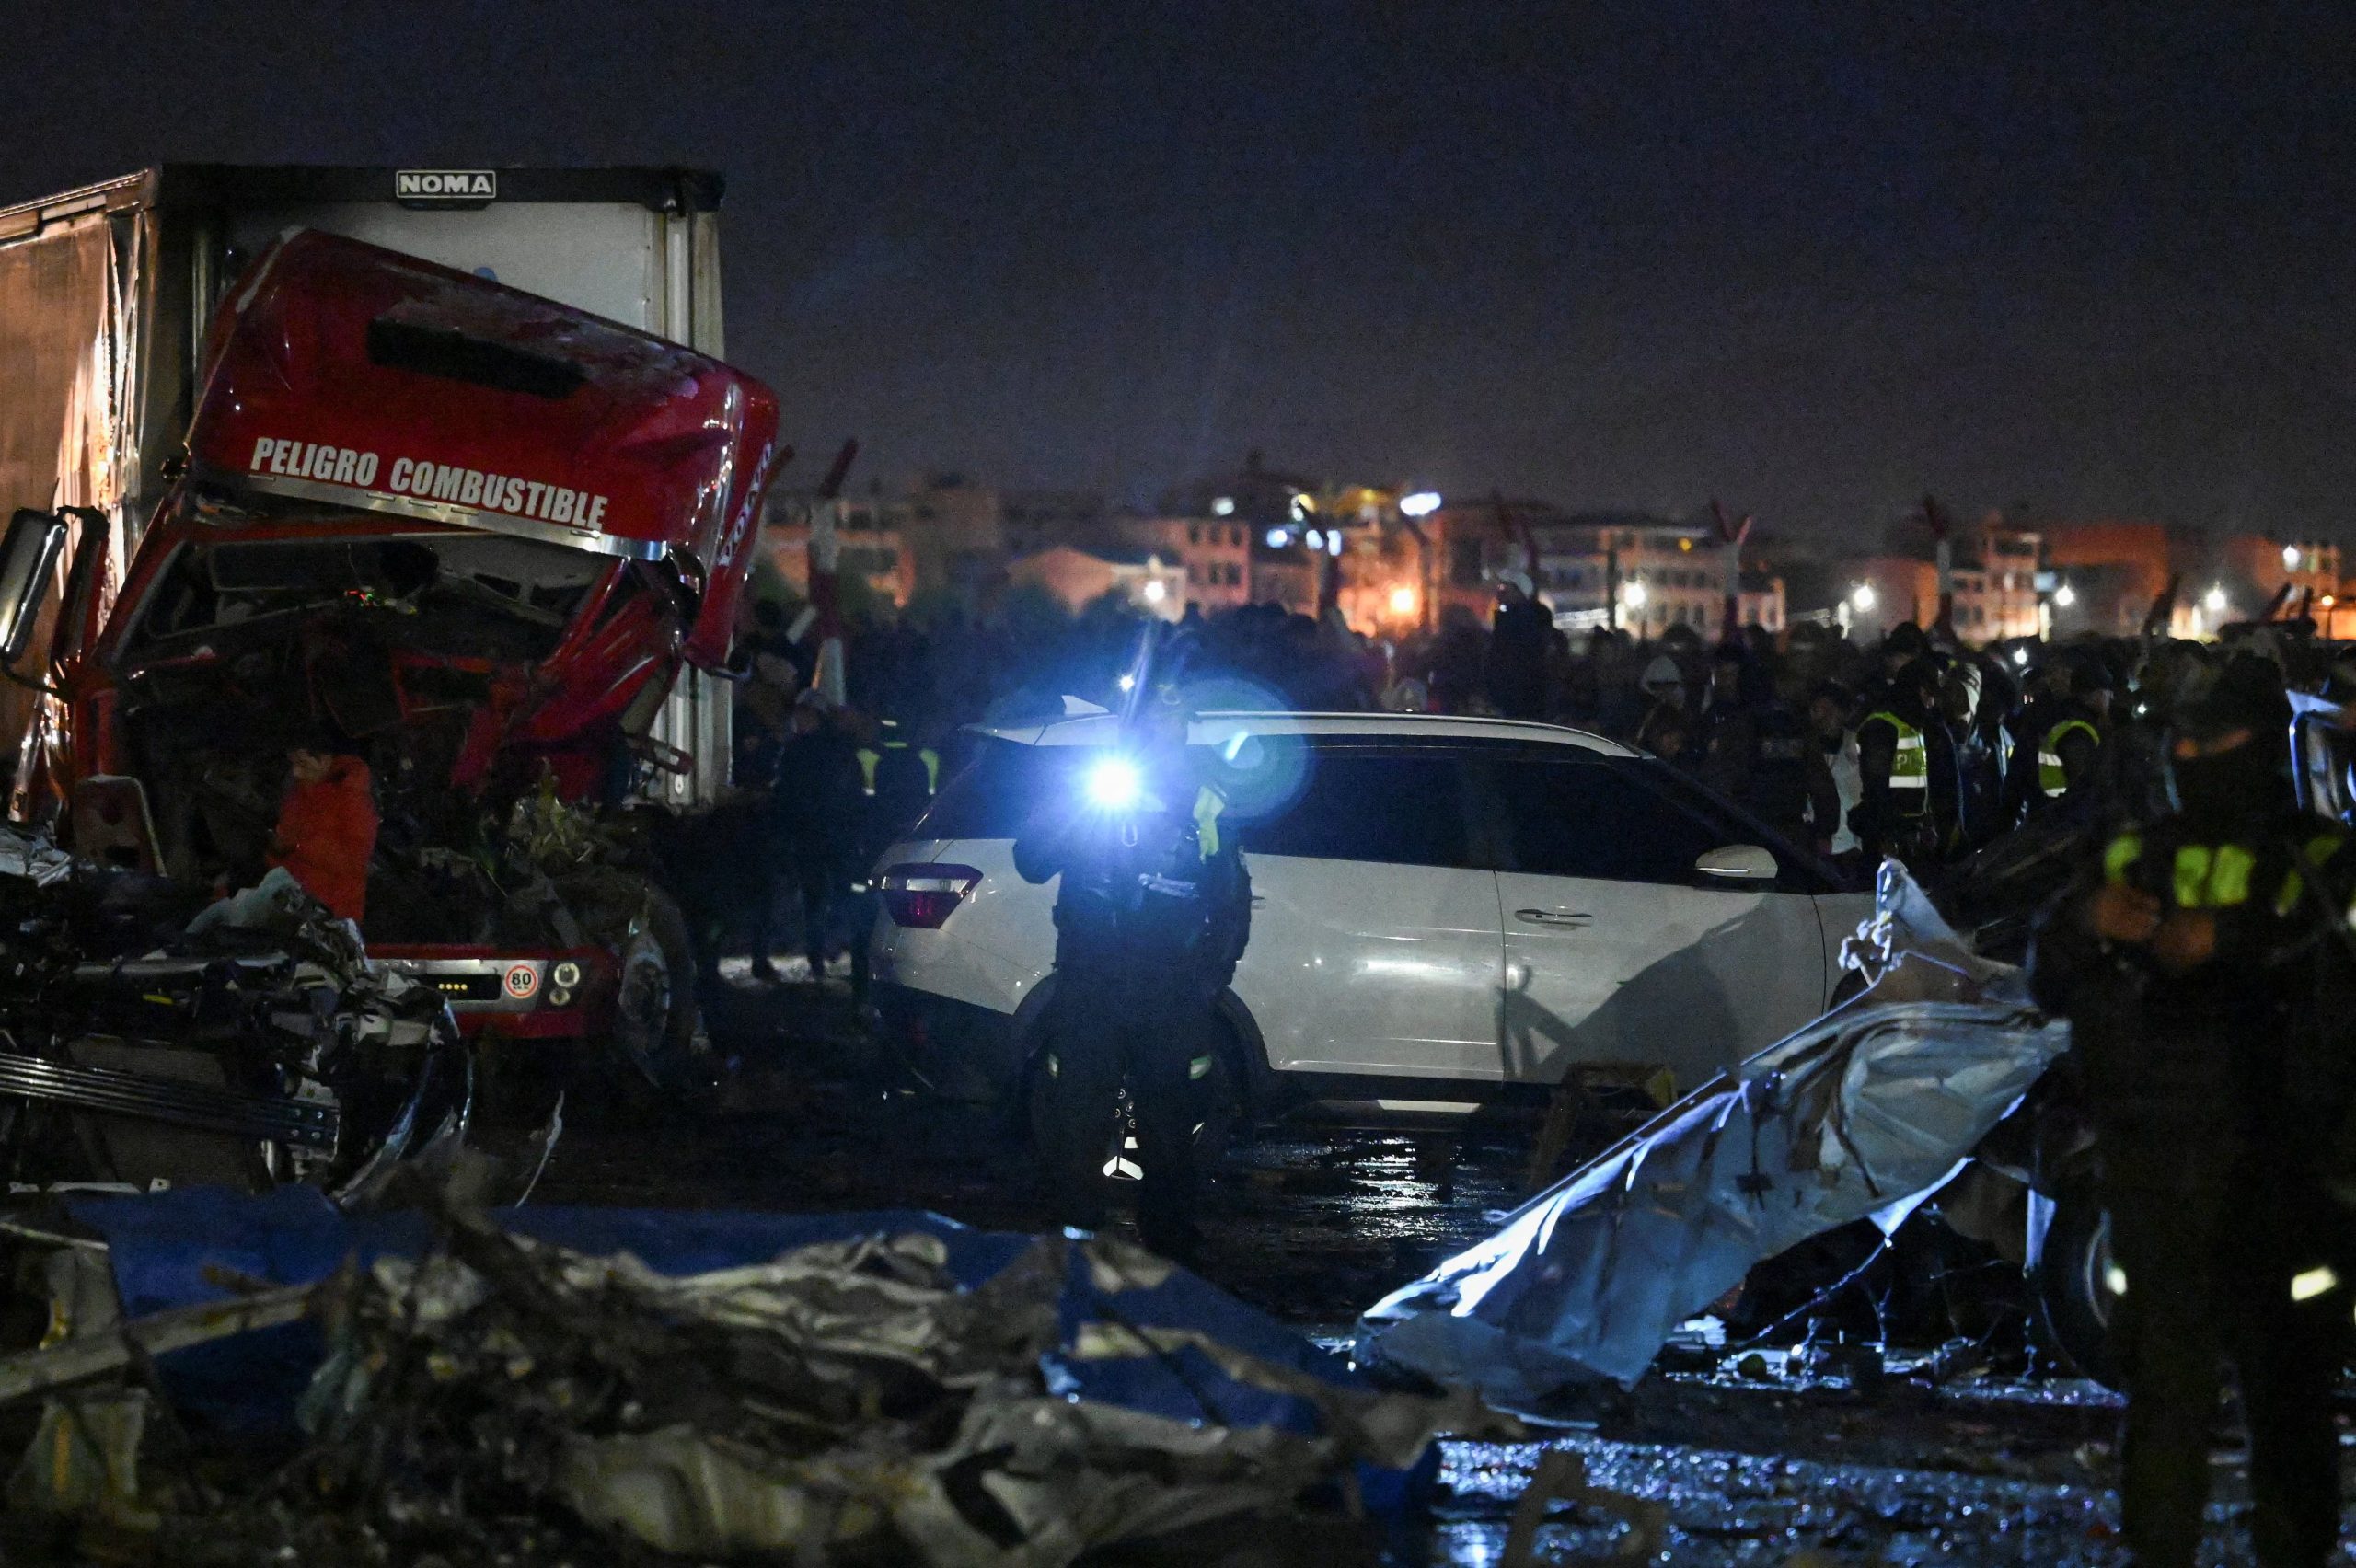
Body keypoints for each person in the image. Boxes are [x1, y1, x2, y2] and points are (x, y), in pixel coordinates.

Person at [2028, 656, 2355, 1568]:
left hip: (2282, 1177)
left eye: (2213, 740)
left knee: (2287, 1400)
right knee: (2165, 1404)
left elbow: (2333, 964)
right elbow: (2046, 971)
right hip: (2157, 1177)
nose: (2191, 754)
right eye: (2181, 738)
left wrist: (2234, 942)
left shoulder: (2318, 857)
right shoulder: (2136, 854)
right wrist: (2093, 919)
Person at [1012, 677, 1252, 1260]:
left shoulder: (1205, 798)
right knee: (1078, 1117)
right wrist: (1077, 807)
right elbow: (1031, 861)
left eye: (1173, 725)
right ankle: (1075, 1239)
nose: (1163, 735)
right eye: (1152, 724)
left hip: (1171, 993)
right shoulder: (1094, 789)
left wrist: (1209, 977)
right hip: (1091, 985)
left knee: (1169, 1126)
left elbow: (1231, 898)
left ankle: (1168, 1244)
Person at [764, 688, 867, 985]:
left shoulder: (806, 751)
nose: (801, 719)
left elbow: (787, 795)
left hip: (824, 835)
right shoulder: (833, 749)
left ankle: (827, 951)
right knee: (823, 897)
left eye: (806, 714)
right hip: (820, 836)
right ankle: (822, 953)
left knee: (828, 897)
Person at [268, 732, 377, 923]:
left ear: (325, 760)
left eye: (303, 763)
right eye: (293, 763)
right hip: (295, 909)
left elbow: (353, 862)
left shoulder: (352, 798)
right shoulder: (296, 797)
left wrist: (300, 845)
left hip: (334, 913)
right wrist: (277, 851)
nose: (296, 772)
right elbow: (283, 854)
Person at [1852, 656, 1945, 869]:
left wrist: (1927, 822)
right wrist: (1886, 836)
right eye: (1928, 694)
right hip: (1887, 838)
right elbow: (1875, 788)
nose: (1931, 703)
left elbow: (1920, 782)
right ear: (1917, 690)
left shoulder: (1913, 726)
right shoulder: (1882, 726)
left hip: (1911, 835)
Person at [1486, 571, 1553, 720]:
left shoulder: (1524, 621)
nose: (1499, 592)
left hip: (1521, 696)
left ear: (1518, 591)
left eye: (1504, 588)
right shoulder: (1512, 619)